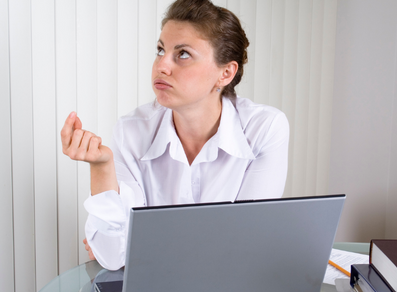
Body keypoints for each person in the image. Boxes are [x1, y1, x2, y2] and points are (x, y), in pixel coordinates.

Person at [60, 0, 289, 271]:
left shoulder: (264, 128)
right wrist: (101, 167)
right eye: (160, 50)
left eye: (182, 54)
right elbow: (113, 256)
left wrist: (140, 245)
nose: (162, 66)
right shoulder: (132, 131)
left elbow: (248, 248)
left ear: (226, 73)